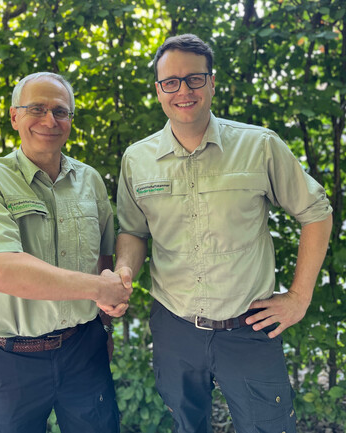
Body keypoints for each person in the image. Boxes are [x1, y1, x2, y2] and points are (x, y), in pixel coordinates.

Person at [111, 34, 333, 433]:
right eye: (171, 82)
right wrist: (125, 270)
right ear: (159, 90)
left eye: (195, 79)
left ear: (212, 83)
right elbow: (133, 231)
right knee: (185, 426)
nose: (184, 90)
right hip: (174, 325)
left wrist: (299, 297)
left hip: (250, 326)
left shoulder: (259, 146)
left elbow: (316, 212)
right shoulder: (137, 159)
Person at [0, 72, 131, 433]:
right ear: (14, 117)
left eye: (60, 111)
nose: (49, 120)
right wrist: (99, 289)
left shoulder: (90, 180)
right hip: (11, 359)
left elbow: (103, 263)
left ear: (71, 120)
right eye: (36, 108)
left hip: (83, 349)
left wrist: (106, 322)